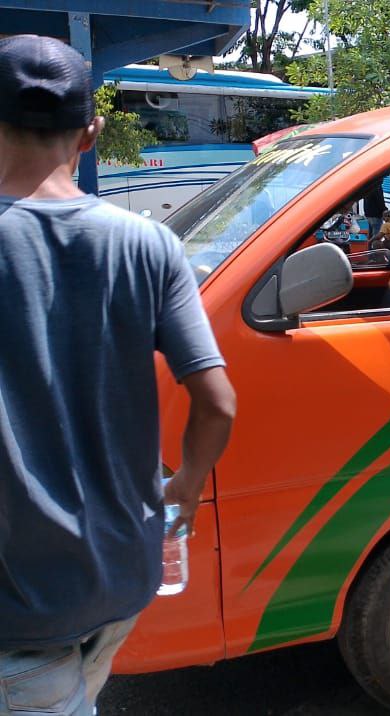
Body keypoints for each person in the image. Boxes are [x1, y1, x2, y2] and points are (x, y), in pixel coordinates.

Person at [0, 35, 236, 714]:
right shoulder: (148, 243)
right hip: (119, 586)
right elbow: (217, 402)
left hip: (18, 612)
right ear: (92, 133)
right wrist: (186, 490)